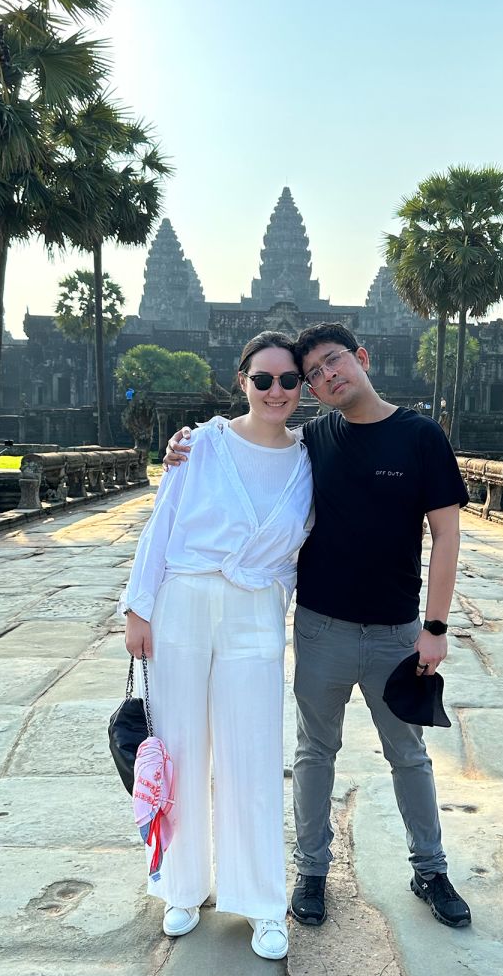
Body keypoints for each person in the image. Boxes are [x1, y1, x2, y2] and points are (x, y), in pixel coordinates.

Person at [167, 322, 472, 931]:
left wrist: (434, 626)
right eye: (312, 376)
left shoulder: (420, 436)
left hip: (396, 631)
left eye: (333, 363)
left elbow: (446, 535)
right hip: (321, 628)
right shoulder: (313, 441)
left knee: (408, 754)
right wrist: (188, 444)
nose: (326, 378)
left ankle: (431, 868)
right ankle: (311, 871)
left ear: (361, 357)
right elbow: (255, 446)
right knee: (314, 752)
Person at [119, 332, 313, 961]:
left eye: (288, 381)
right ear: (242, 381)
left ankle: (261, 901)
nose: (276, 391)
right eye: (264, 380)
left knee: (252, 754)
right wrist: (137, 608)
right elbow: (164, 522)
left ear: (302, 388)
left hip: (255, 608)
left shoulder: (309, 460)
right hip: (184, 600)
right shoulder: (200, 444)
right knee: (179, 743)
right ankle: (181, 886)